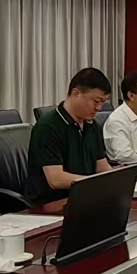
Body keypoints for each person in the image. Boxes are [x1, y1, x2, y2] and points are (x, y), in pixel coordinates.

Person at [26, 67, 113, 204]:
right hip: (52, 204)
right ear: (75, 93)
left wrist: (120, 182)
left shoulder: (91, 125)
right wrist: (93, 185)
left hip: (84, 197)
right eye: (96, 101)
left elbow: (102, 167)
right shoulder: (48, 127)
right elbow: (56, 179)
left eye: (103, 102)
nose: (98, 108)